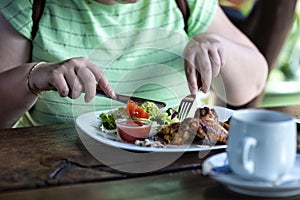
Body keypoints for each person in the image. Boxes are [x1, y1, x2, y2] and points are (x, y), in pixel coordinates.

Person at [0, 0, 268, 128]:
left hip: (171, 174)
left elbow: (252, 84)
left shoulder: (186, 3)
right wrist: (33, 76)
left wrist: (220, 51)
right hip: (56, 175)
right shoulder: (31, 4)